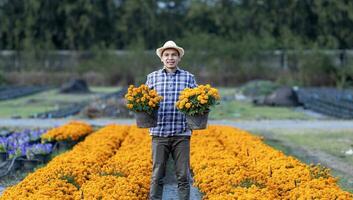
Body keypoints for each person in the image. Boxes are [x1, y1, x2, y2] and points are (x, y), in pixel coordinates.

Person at [145, 40, 197, 200]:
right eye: (166, 55)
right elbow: (143, 100)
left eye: (174, 55)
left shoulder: (188, 78)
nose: (170, 58)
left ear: (179, 58)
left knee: (183, 175)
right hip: (159, 133)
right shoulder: (152, 77)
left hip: (181, 134)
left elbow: (198, 99)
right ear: (162, 58)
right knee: (157, 175)